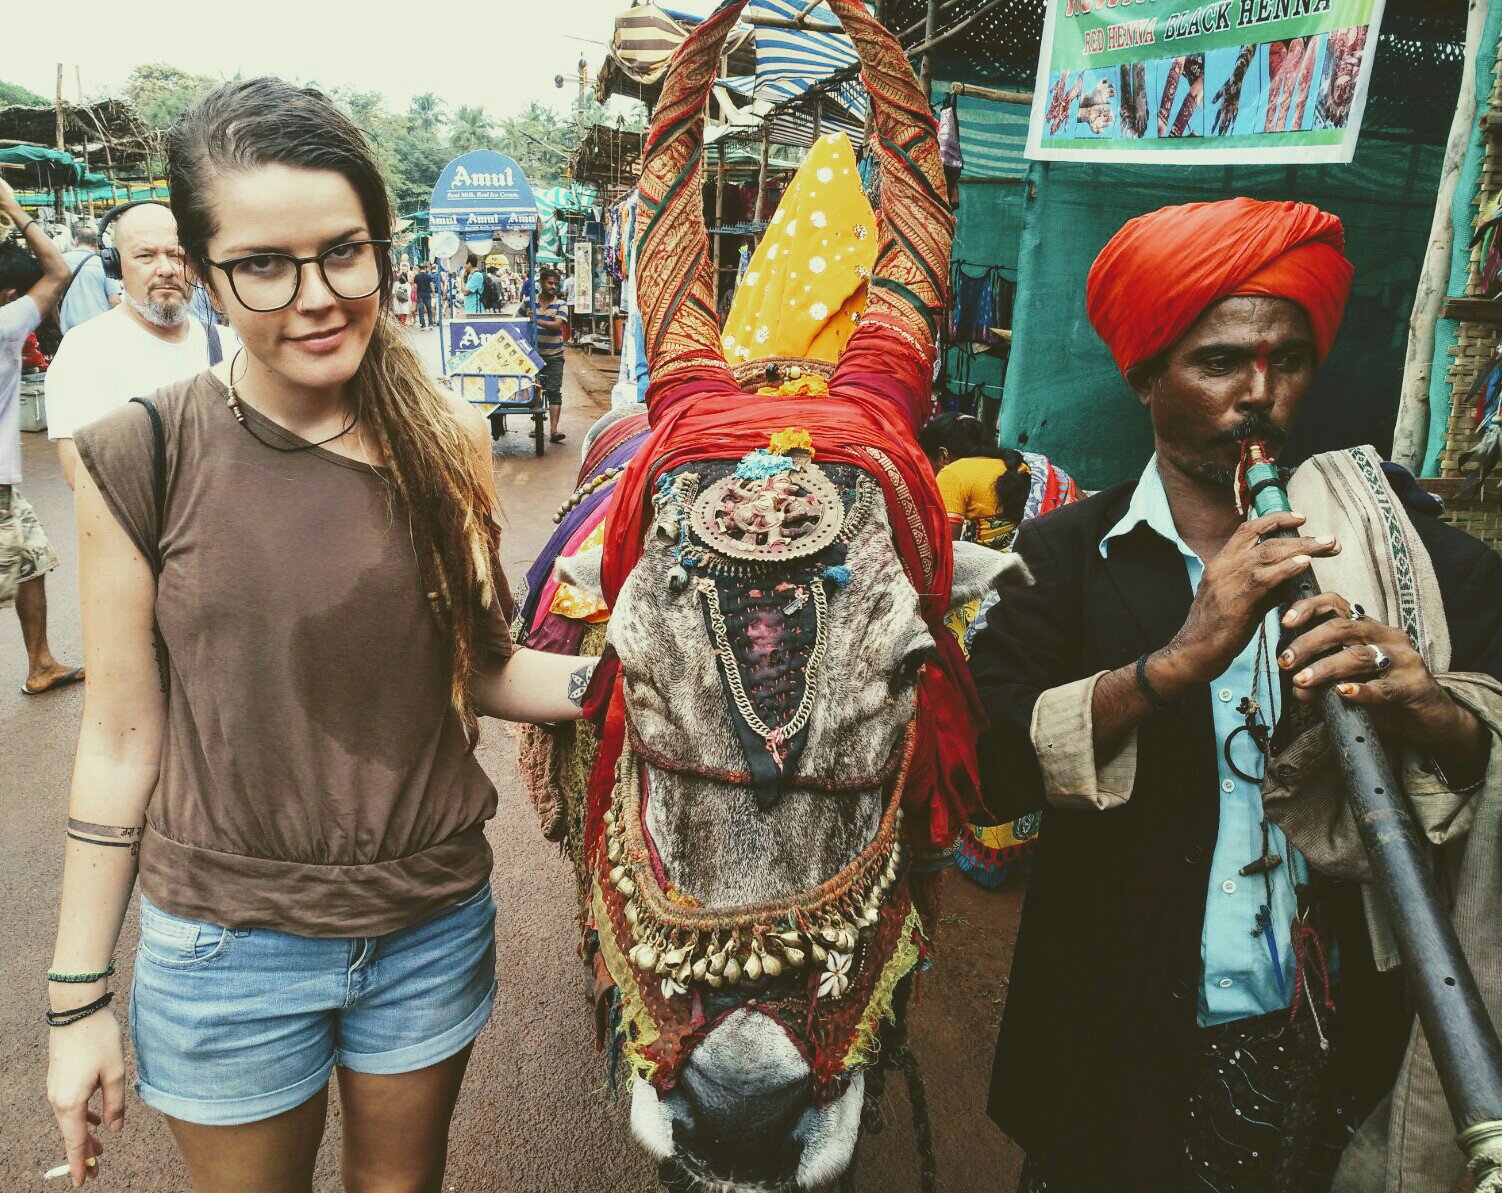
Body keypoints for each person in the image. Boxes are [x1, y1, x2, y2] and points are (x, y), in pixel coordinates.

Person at [42, 77, 597, 1192]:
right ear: (206, 274)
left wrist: (644, 671)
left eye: (344, 252)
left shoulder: (445, 434)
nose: (316, 298)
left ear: (383, 248)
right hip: (225, 947)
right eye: (264, 265)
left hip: (429, 922)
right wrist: (77, 999)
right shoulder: (141, 454)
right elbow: (117, 738)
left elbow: (484, 666)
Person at [972, 197, 1502, 1193]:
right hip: (1110, 1049)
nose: (1259, 392)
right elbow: (987, 767)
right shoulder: (1063, 555)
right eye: (1218, 362)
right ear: (1146, 375)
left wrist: (1431, 709)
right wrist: (1175, 659)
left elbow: (1485, 740)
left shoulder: (1400, 548)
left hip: (1340, 1049)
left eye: (1287, 360)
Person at [918, 411, 1082, 889]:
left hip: (985, 610)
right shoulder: (1026, 468)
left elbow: (940, 561)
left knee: (966, 703)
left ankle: (970, 829)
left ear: (942, 455)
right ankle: (1023, 836)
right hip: (1035, 608)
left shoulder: (953, 476)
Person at [46, 202, 229, 491]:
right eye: (146, 256)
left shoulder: (228, 343)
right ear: (115, 266)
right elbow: (82, 476)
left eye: (176, 255)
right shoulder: (85, 350)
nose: (166, 269)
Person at [0, 178, 83, 696]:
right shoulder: (6, 324)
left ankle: (41, 664)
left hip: (4, 488)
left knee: (32, 560)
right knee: (26, 561)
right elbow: (58, 271)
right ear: (10, 294)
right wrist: (12, 206)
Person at [518, 266, 568, 443]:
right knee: (534, 390)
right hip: (534, 356)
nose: (553, 286)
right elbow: (517, 321)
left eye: (555, 283)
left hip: (555, 355)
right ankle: (537, 425)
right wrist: (526, 319)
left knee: (554, 391)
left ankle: (554, 431)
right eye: (549, 283)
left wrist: (536, 320)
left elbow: (557, 325)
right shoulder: (528, 302)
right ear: (541, 283)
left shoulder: (561, 304)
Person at [58, 224, 119, 335]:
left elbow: (51, 297)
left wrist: (58, 321)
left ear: (76, 241)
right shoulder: (104, 264)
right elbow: (114, 300)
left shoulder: (60, 261)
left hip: (70, 328)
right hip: (99, 328)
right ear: (96, 243)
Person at [414, 262, 435, 329]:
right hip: (427, 294)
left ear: (419, 269)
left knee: (421, 309)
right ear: (425, 268)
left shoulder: (417, 276)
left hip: (420, 294)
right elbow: (431, 285)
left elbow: (415, 286)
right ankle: (430, 323)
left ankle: (423, 324)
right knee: (429, 309)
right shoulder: (428, 275)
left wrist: (416, 294)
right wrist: (433, 293)